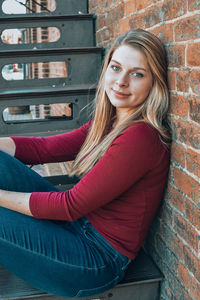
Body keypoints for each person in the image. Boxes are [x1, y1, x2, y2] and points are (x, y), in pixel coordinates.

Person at [0, 29, 170, 298]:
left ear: (154, 83)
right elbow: (43, 148)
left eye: (137, 74)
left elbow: (69, 206)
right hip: (79, 227)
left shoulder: (142, 136)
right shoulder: (111, 124)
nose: (121, 82)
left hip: (95, 260)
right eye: (116, 68)